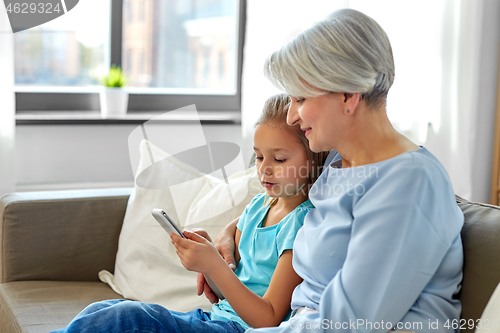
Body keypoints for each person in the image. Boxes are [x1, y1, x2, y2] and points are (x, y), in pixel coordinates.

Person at [205, 8, 464, 333]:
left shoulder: (409, 183)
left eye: (300, 98)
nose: (292, 117)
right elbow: (281, 203)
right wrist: (228, 235)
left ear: (347, 96)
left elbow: (349, 323)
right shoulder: (336, 165)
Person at [51, 94, 329, 333]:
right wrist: (211, 258)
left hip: (236, 329)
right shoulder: (259, 206)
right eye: (258, 156)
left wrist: (214, 266)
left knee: (126, 317)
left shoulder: (302, 225)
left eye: (279, 159)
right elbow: (233, 286)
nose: (264, 168)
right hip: (211, 319)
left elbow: (267, 318)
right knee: (105, 308)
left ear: (313, 157)